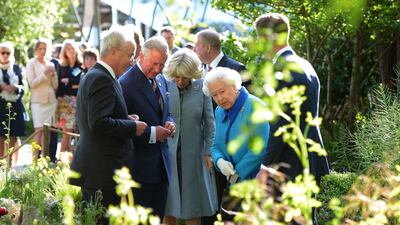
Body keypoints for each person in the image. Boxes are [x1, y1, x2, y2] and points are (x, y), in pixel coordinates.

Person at [69, 25, 147, 224]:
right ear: (113, 51)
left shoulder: (100, 76)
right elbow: (98, 123)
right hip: (102, 173)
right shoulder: (101, 79)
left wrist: (125, 119)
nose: (132, 61)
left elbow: (98, 118)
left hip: (101, 171)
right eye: (130, 55)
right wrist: (132, 128)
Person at [254, 13, 330, 187]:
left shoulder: (281, 70)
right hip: (310, 157)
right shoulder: (305, 64)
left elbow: (280, 123)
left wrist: (266, 166)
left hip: (288, 163)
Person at [202, 67, 270, 223]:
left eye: (222, 91)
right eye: (214, 95)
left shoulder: (255, 106)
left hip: (255, 183)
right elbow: (215, 146)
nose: (219, 98)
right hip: (232, 184)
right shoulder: (219, 111)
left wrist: (236, 173)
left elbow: (258, 148)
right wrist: (219, 161)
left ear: (234, 86)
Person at [194, 29, 247, 225]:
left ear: (207, 47)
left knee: (230, 203)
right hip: (208, 147)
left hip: (232, 149)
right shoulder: (199, 72)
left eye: (197, 45)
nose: (194, 49)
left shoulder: (236, 69)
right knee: (210, 198)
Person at [119, 36, 175, 218]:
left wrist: (170, 121)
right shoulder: (125, 84)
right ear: (141, 56)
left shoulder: (161, 79)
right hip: (139, 170)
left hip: (161, 167)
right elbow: (120, 127)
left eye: (162, 64)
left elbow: (167, 111)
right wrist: (152, 133)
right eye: (154, 63)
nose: (158, 69)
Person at [163, 49, 218, 225]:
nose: (179, 81)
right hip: (168, 155)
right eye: (176, 77)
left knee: (193, 206)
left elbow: (210, 124)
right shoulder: (163, 83)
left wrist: (208, 152)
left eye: (184, 77)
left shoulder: (202, 87)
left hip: (194, 155)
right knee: (168, 206)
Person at [26, 39, 58, 153]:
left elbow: (55, 86)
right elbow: (32, 84)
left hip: (51, 102)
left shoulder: (51, 64)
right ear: (36, 49)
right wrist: (44, 74)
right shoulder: (31, 63)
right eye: (40, 48)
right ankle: (34, 161)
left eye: (45, 48)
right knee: (39, 130)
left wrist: (53, 75)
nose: (43, 51)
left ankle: (45, 161)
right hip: (38, 102)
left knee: (47, 132)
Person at [0, 41, 25, 163]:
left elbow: (23, 87)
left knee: (13, 135)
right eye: (2, 52)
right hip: (0, 104)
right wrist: (2, 87)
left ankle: (9, 165)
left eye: (7, 53)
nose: (5, 55)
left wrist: (15, 87)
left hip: (14, 105)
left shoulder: (16, 68)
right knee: (0, 135)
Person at [56, 39, 83, 153]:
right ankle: (61, 160)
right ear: (64, 52)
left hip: (78, 101)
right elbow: (59, 84)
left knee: (73, 132)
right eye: (68, 49)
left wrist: (69, 80)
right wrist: (74, 83)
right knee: (67, 132)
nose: (71, 51)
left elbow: (81, 81)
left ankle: (68, 160)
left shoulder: (81, 65)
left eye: (72, 48)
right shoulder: (61, 66)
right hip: (64, 101)